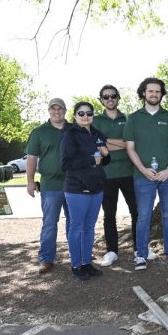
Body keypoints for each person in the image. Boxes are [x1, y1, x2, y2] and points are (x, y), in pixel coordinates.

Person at [123, 77, 168, 270]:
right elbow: (130, 148)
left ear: (161, 94)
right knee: (144, 216)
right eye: (150, 91)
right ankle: (141, 254)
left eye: (157, 91)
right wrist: (143, 170)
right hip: (143, 177)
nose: (154, 94)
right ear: (143, 93)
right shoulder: (133, 118)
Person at [61, 102, 111, 281]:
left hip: (96, 188)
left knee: (89, 227)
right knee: (76, 228)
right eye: (81, 113)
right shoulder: (70, 134)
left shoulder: (97, 134)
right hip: (76, 189)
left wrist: (106, 155)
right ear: (74, 116)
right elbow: (65, 164)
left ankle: (86, 262)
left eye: (88, 113)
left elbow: (105, 160)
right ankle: (76, 265)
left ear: (93, 115)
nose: (85, 116)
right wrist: (91, 161)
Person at [92, 85, 140, 267]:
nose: (110, 99)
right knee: (109, 215)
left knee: (136, 212)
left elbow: (132, 143)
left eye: (113, 96)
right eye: (106, 97)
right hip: (106, 174)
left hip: (129, 172)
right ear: (101, 100)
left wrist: (105, 141)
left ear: (118, 98)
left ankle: (139, 248)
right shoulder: (95, 121)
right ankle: (112, 251)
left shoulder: (128, 119)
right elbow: (96, 145)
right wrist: (122, 143)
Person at [25, 98, 71, 274]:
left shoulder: (74, 129)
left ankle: (77, 255)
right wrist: (30, 181)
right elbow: (32, 158)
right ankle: (46, 259)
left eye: (60, 108)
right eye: (53, 108)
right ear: (49, 110)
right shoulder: (39, 132)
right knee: (50, 223)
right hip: (50, 185)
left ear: (65, 110)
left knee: (74, 222)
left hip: (73, 183)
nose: (57, 111)